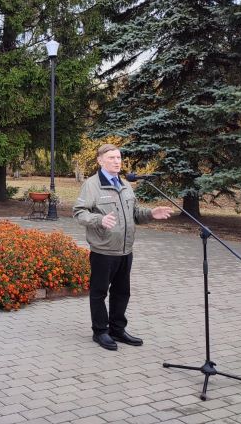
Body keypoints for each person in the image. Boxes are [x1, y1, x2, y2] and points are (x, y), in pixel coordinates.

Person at [73, 143, 173, 351]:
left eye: (118, 158)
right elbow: (79, 213)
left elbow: (134, 213)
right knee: (99, 292)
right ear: (100, 161)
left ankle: (117, 329)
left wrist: (151, 214)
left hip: (126, 250)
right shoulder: (92, 185)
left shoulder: (125, 185)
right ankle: (100, 331)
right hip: (103, 250)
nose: (117, 161)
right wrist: (99, 220)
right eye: (111, 158)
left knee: (122, 292)